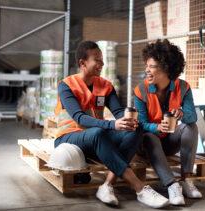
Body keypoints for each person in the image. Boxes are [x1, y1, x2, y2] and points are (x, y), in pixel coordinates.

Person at [54, 41, 169, 208]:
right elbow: (79, 118)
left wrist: (129, 120)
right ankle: (140, 188)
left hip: (96, 139)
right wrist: (112, 125)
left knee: (134, 130)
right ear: (82, 63)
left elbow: (118, 112)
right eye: (97, 60)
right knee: (98, 133)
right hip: (69, 138)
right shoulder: (67, 86)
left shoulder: (105, 86)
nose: (102, 64)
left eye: (102, 60)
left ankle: (106, 186)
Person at [134, 39, 202, 206]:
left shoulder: (183, 87)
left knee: (190, 127)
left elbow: (192, 117)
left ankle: (186, 180)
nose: (147, 70)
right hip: (147, 145)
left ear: (166, 68)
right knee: (149, 135)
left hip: (169, 143)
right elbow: (141, 124)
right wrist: (156, 127)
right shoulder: (140, 90)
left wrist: (182, 114)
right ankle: (172, 185)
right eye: (147, 65)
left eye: (151, 66)